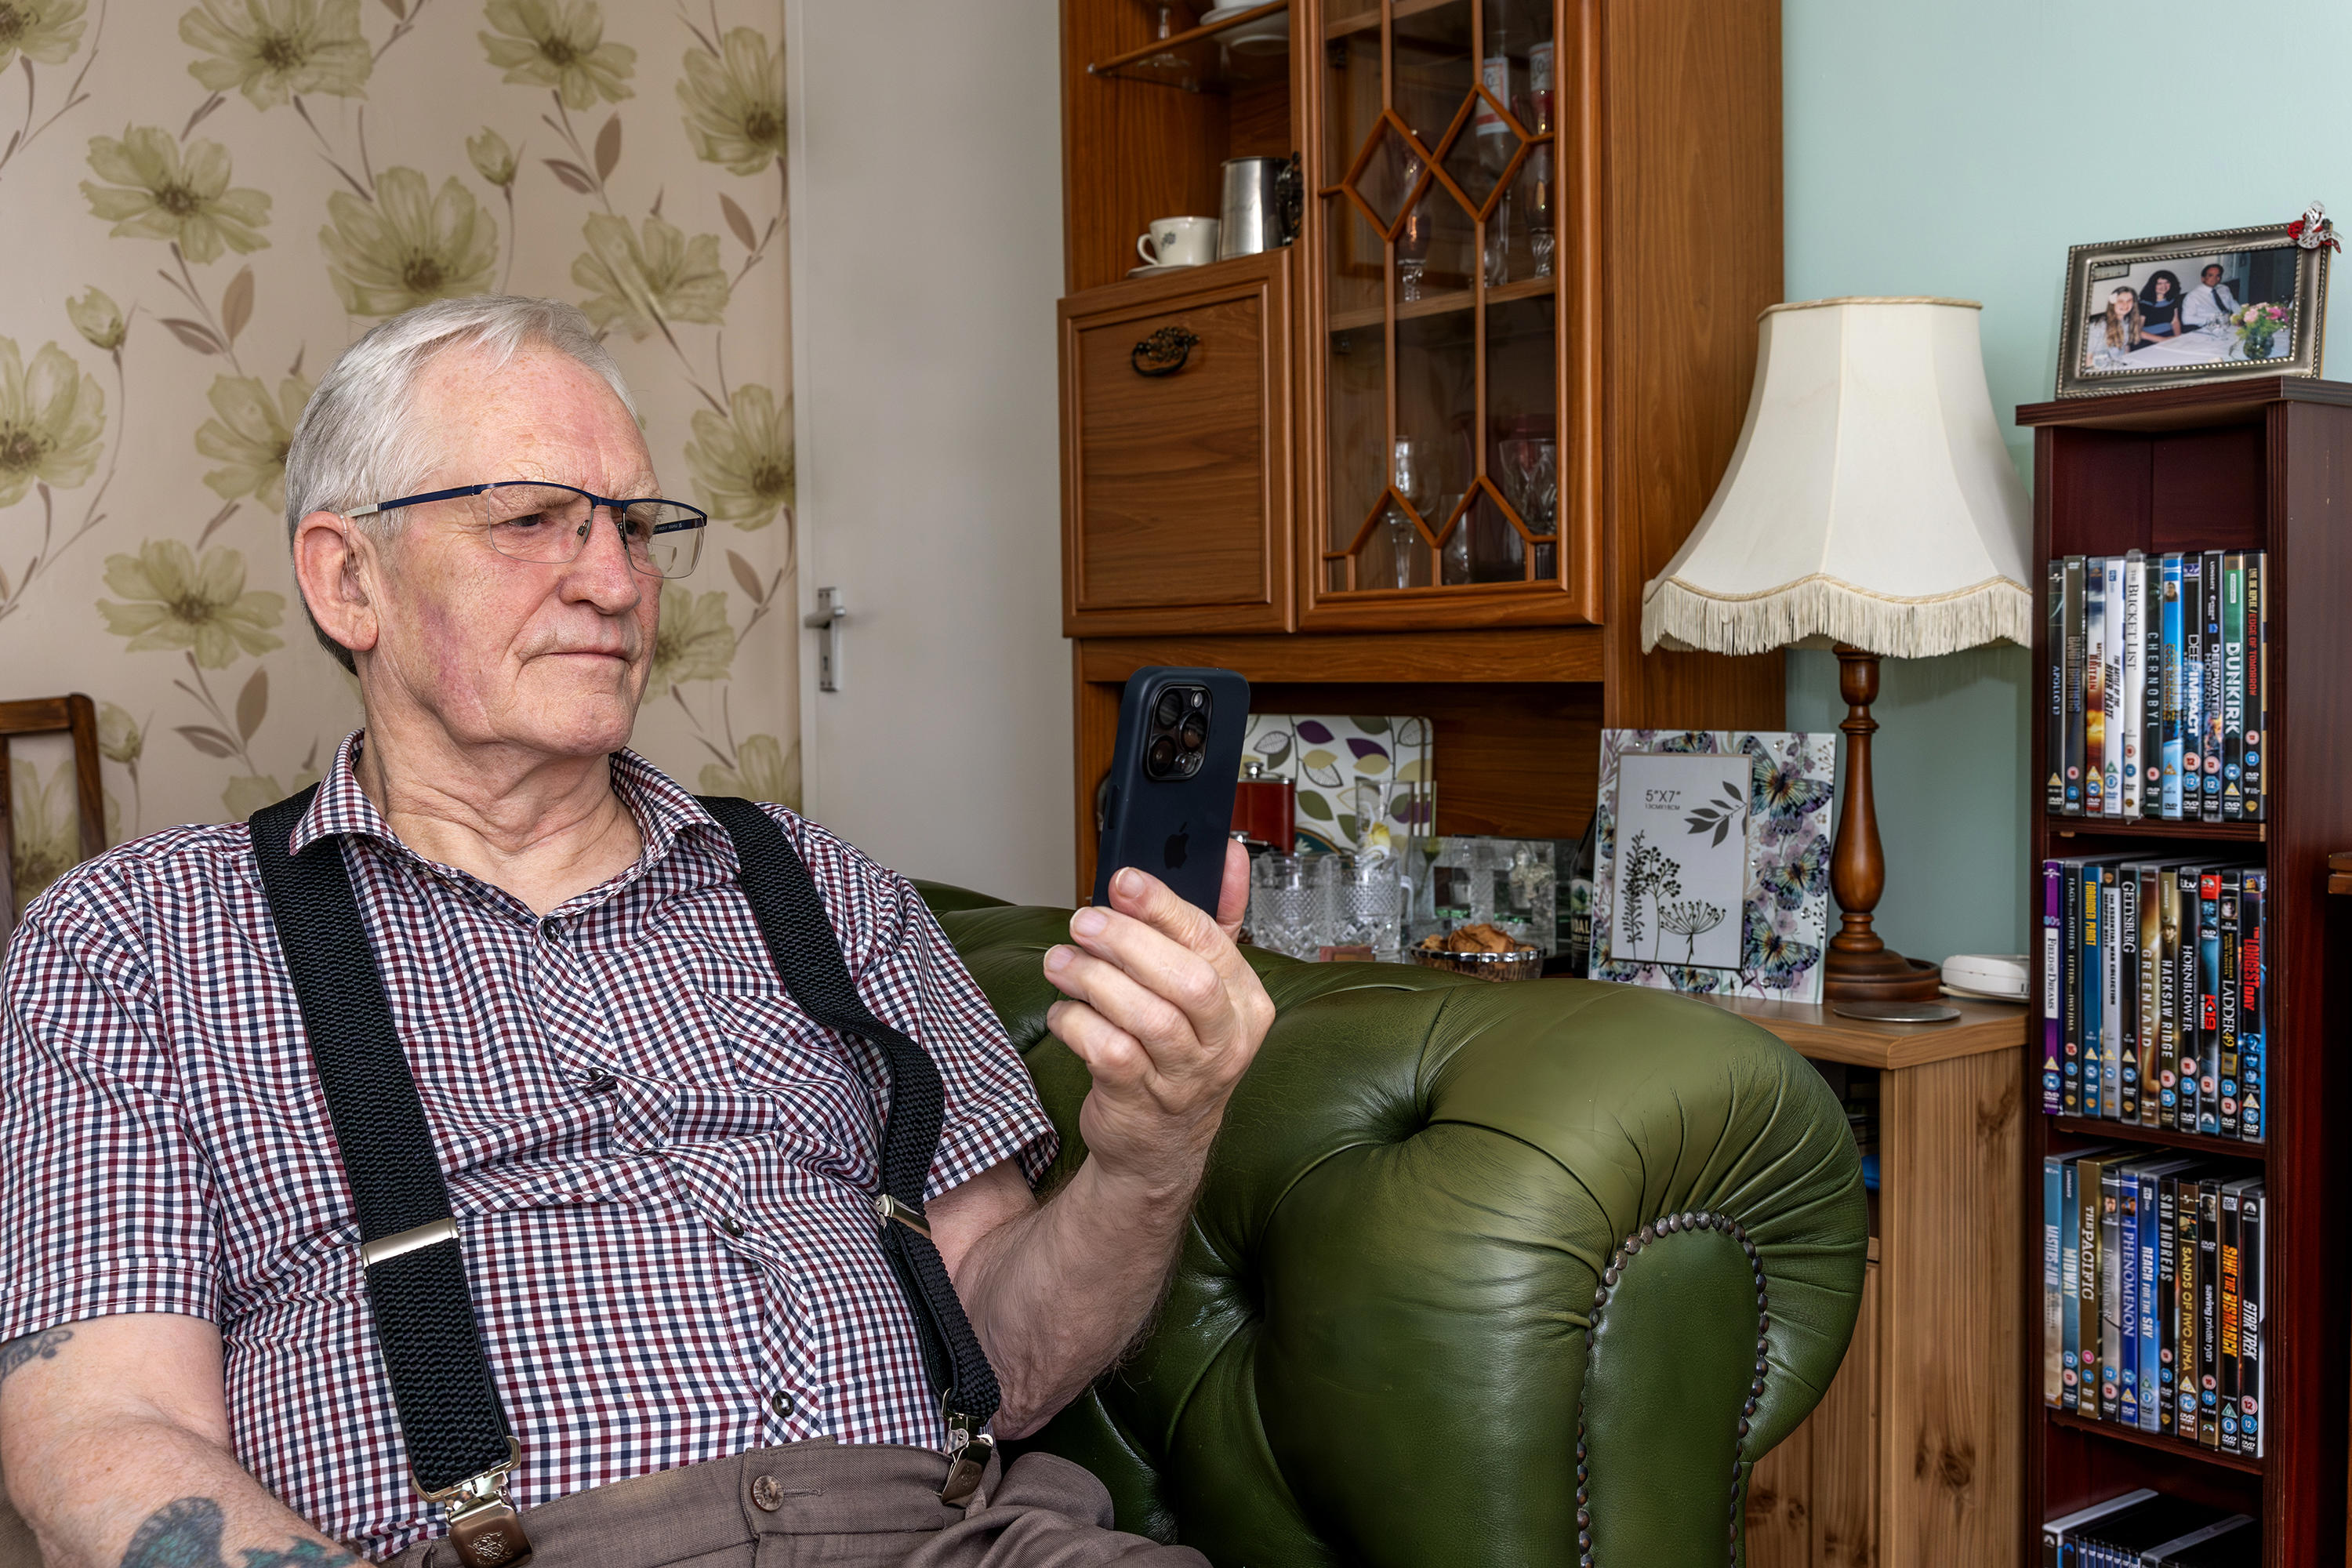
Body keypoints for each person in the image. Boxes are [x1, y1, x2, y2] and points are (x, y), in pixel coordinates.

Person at [0, 297, 1275, 1568]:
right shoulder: (135, 939)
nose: (614, 582)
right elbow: (98, 1429)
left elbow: (1006, 1357)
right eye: (529, 521)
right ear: (349, 580)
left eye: (635, 527)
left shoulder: (824, 886)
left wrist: (1154, 1147)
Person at [2082, 284, 2145, 371]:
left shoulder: (2127, 322)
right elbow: (2087, 361)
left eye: (2129, 301)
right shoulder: (2098, 326)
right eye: (2120, 301)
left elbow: (2125, 347)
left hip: (2118, 366)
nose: (2125, 305)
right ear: (2113, 303)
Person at [2180, 262, 2241, 330]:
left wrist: (2240, 316)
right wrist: (2211, 320)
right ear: (2203, 278)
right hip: (2210, 328)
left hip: (2230, 324)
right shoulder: (2193, 296)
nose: (2214, 279)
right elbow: (2186, 320)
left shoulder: (2224, 288)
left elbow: (2233, 303)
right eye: (2210, 275)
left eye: (2218, 276)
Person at [2136, 269, 2184, 339]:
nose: (2164, 286)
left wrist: (2178, 338)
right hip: (2150, 339)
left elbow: (2175, 322)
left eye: (2167, 282)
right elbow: (2138, 331)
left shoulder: (2172, 300)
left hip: (2169, 335)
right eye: (2159, 283)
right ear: (2153, 285)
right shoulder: (2143, 304)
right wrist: (2163, 340)